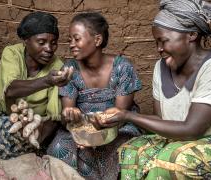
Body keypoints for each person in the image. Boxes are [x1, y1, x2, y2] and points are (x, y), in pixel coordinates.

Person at [97, 0, 211, 179]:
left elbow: (192, 130)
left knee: (175, 159)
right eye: (156, 42)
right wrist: (117, 118)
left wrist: (128, 115)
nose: (159, 49)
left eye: (164, 41)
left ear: (191, 34)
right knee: (132, 151)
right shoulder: (161, 68)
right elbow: (161, 121)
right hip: (188, 139)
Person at [46, 12, 142, 180]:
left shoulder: (122, 68)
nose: (71, 45)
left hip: (117, 127)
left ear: (97, 40)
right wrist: (70, 115)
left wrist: (95, 136)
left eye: (77, 39)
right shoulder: (69, 69)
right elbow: (67, 111)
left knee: (122, 148)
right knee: (59, 147)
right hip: (80, 129)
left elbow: (120, 114)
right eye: (70, 40)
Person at [0, 12, 73, 164]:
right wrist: (47, 80)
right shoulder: (12, 54)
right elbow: (11, 89)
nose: (49, 48)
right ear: (26, 40)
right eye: (41, 42)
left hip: (39, 123)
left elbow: (54, 116)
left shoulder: (57, 65)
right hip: (9, 117)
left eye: (53, 42)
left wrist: (38, 138)